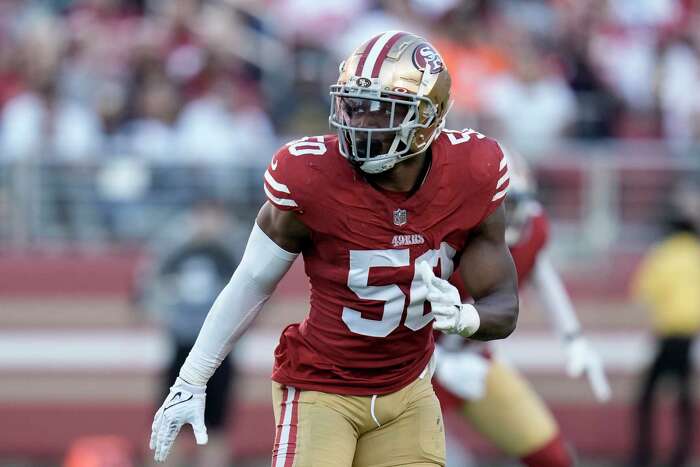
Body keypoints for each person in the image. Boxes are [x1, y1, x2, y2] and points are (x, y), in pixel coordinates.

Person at [149, 31, 519, 466]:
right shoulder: (310, 176)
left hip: (408, 391)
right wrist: (192, 379)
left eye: (382, 111)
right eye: (356, 105)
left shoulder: (471, 172)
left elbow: (503, 302)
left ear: (427, 118)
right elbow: (250, 281)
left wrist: (466, 318)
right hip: (322, 388)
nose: (361, 122)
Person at [431, 151, 610, 467]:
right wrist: (439, 363)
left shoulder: (532, 229)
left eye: (514, 203)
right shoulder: (444, 236)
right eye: (501, 205)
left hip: (477, 363)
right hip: (417, 369)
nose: (509, 215)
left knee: (554, 458)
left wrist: (573, 337)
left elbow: (540, 272)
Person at [136, 200, 241, 467]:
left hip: (219, 351)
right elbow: (146, 287)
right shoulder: (176, 248)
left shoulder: (230, 251)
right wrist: (167, 316)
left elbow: (256, 288)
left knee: (215, 428)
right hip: (183, 345)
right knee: (167, 424)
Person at [629, 180, 700, 467]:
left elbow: (643, 294)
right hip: (691, 337)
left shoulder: (662, 253)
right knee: (684, 401)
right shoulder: (696, 253)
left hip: (668, 335)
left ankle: (643, 455)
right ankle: (679, 456)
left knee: (646, 398)